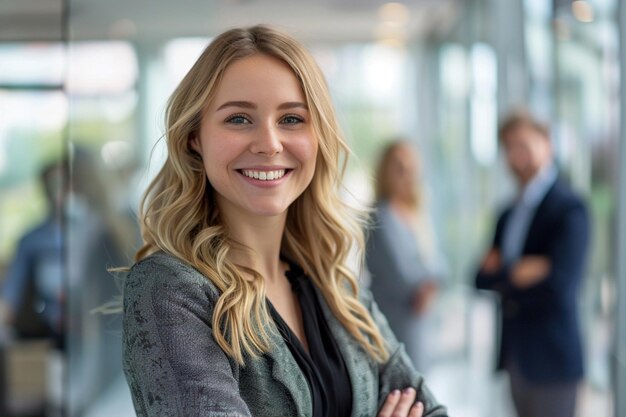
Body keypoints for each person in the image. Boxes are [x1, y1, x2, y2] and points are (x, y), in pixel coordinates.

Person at [122, 25, 447, 417]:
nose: (270, 143)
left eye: (292, 119)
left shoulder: (334, 287)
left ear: (318, 137)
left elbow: (429, 409)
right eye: (239, 119)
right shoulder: (170, 289)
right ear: (195, 136)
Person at [475, 111, 590, 417]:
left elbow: (561, 285)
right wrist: (519, 272)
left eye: (523, 144)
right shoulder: (507, 213)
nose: (516, 155)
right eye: (508, 147)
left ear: (547, 144)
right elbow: (479, 278)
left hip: (552, 359)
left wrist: (502, 275)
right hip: (514, 357)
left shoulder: (569, 208)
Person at [366, 140, 446, 373]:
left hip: (420, 318)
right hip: (394, 320)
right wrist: (428, 282)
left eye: (411, 167)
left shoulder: (416, 214)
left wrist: (430, 284)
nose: (406, 174)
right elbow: (402, 274)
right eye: (399, 166)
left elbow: (442, 264)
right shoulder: (380, 216)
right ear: (385, 170)